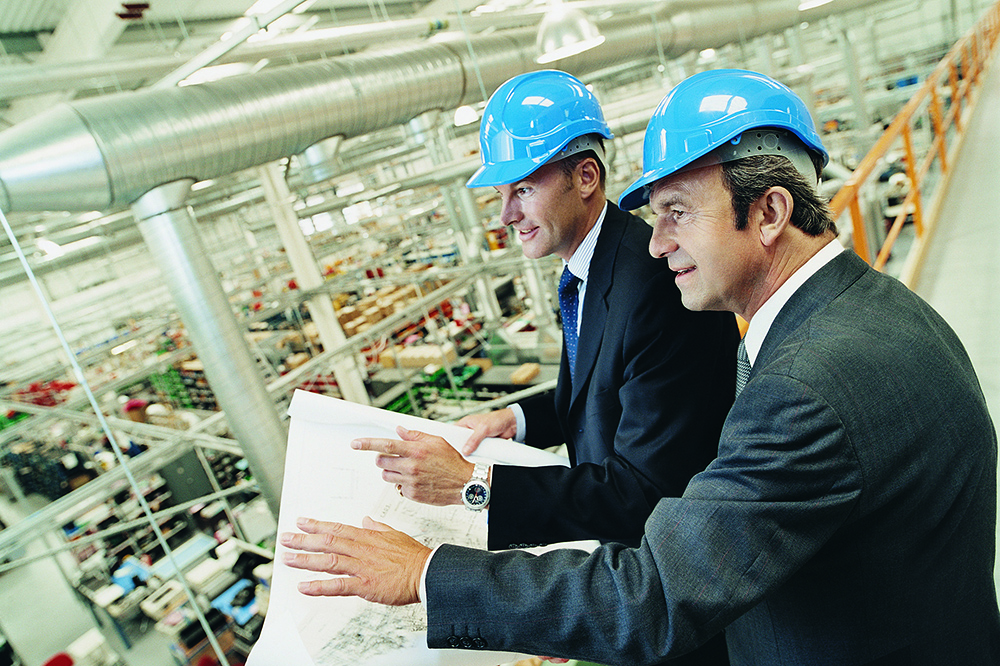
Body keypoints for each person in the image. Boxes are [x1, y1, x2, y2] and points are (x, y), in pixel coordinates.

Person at [281, 69, 1000, 664]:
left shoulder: (806, 386)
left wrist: (427, 574)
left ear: (771, 210)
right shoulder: (876, 310)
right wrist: (517, 418)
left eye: (678, 213)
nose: (657, 247)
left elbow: (655, 594)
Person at [352, 69, 736, 555]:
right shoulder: (589, 272)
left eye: (524, 191)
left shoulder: (654, 283)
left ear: (586, 177)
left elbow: (644, 490)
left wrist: (472, 484)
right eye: (501, 196)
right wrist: (514, 419)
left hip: (678, 561)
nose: (506, 216)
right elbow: (601, 391)